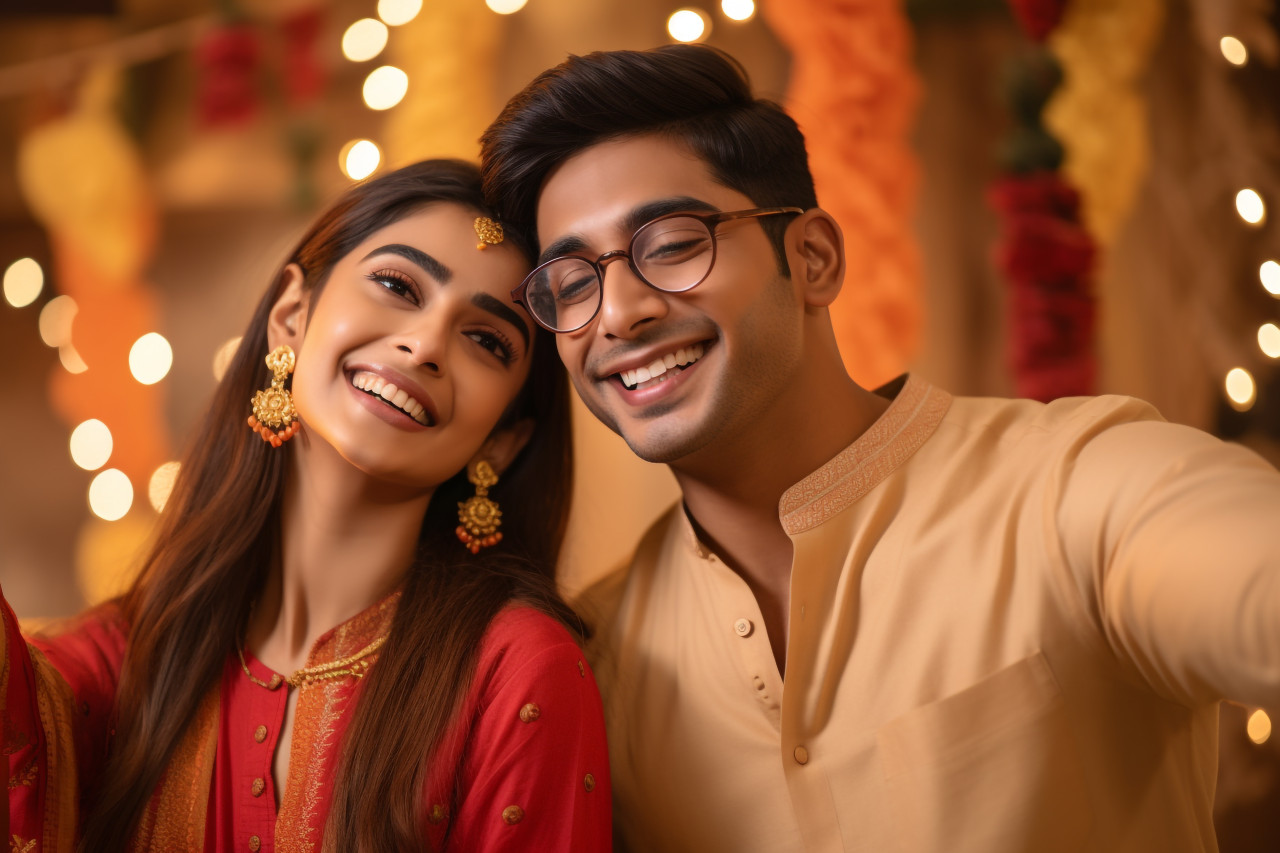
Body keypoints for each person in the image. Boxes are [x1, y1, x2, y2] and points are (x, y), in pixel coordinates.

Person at [479, 45, 1280, 852]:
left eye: (674, 242)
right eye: (572, 283)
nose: (618, 313)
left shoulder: (1075, 489)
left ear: (814, 259)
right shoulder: (598, 658)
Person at [1, 160, 610, 852]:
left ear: (503, 440)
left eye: (487, 340)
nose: (426, 344)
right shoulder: (135, 656)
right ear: (292, 315)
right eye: (397, 285)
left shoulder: (518, 673)